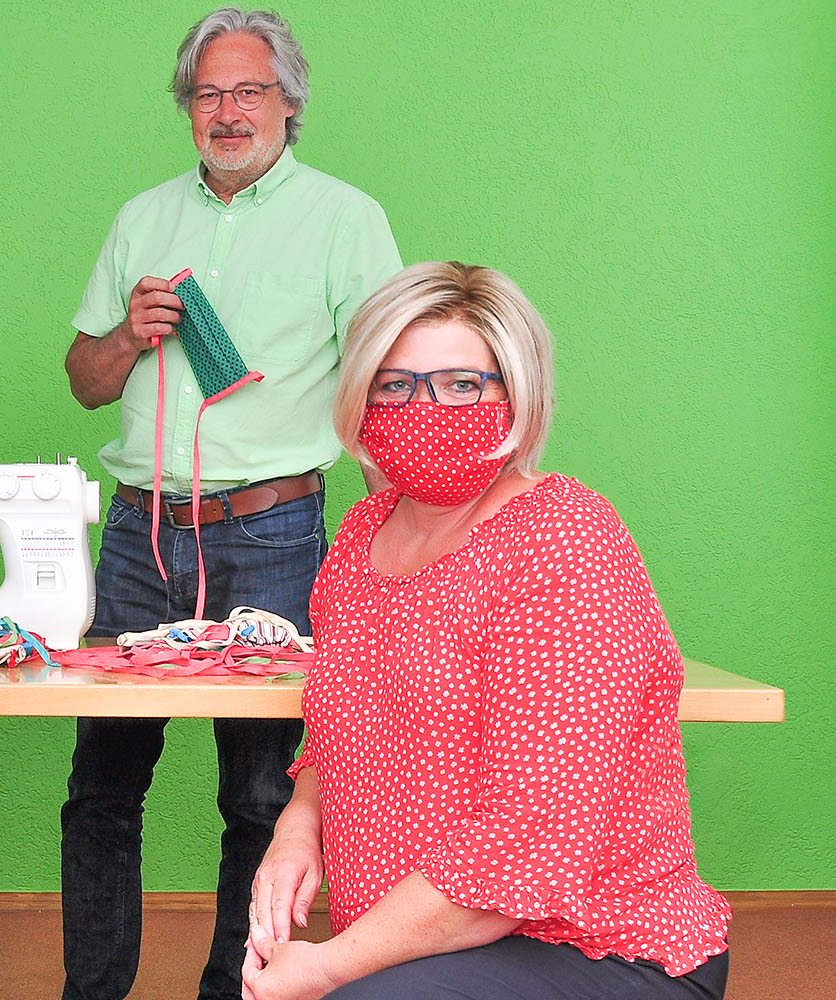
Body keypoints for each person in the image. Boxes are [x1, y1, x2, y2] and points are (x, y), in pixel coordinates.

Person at [241, 262, 731, 1000]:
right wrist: (295, 831)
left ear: (517, 391)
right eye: (394, 382)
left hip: (594, 943)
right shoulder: (359, 535)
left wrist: (329, 967)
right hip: (423, 945)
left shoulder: (564, 540)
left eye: (462, 383)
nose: (423, 406)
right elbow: (341, 728)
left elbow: (528, 844)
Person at [60, 9, 402, 1000]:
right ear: (186, 108)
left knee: (260, 795)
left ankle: (235, 992)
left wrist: (409, 538)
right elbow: (84, 379)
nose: (228, 110)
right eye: (208, 93)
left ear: (291, 103)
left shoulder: (348, 219)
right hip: (139, 535)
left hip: (277, 534)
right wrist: (127, 335)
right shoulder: (142, 219)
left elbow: (388, 380)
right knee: (102, 787)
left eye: (249, 90)